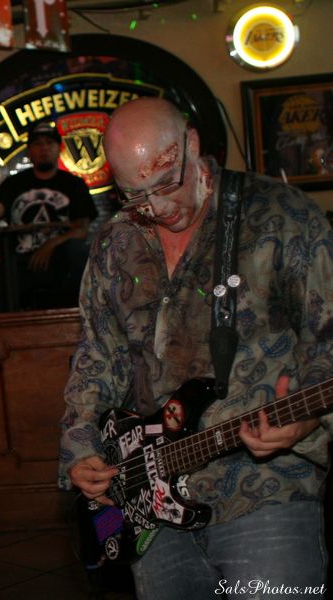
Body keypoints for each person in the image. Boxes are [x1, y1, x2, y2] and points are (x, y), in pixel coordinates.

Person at [59, 97, 332, 599]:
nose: (157, 208)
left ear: (191, 144)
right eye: (135, 195)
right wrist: (81, 447)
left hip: (263, 489)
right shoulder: (116, 241)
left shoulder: (280, 216)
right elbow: (97, 355)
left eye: (166, 183)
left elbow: (328, 336)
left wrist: (308, 417)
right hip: (150, 500)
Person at [0, 120, 96, 311]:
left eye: (49, 143)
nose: (44, 148)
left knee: (78, 255)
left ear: (59, 148)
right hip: (21, 262)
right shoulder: (13, 184)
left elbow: (82, 230)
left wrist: (50, 245)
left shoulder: (74, 184)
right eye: (38, 143)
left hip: (61, 260)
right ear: (29, 150)